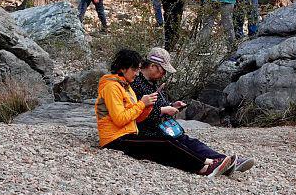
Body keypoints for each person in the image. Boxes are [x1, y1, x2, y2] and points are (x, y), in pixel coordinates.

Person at [98, 48, 233, 177]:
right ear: (123, 69)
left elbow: (136, 116)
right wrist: (143, 104)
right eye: (134, 69)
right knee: (165, 143)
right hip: (115, 138)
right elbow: (120, 119)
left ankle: (211, 162)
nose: (136, 73)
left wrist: (148, 106)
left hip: (127, 133)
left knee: (168, 143)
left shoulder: (125, 86)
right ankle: (204, 166)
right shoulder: (112, 87)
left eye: (137, 69)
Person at [129, 47, 254, 177]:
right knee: (180, 144)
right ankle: (213, 164)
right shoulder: (136, 83)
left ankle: (224, 160)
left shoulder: (153, 83)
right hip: (149, 128)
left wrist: (172, 106)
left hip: (164, 125)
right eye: (163, 70)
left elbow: (157, 105)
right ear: (153, 66)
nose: (164, 75)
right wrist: (164, 110)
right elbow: (136, 110)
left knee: (189, 141)